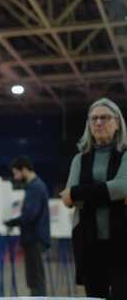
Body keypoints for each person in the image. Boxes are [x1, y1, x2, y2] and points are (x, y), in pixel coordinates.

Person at [59, 98, 127, 299]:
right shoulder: (79, 158)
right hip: (87, 242)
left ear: (117, 123)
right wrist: (112, 194)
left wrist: (79, 193)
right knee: (94, 297)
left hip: (122, 243)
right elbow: (67, 199)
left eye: (105, 118)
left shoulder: (125, 155)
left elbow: (122, 187)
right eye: (94, 119)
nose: (98, 123)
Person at [4, 156, 50, 296]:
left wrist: (11, 221)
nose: (16, 177)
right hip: (34, 238)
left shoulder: (35, 187)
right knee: (34, 277)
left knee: (35, 279)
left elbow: (30, 214)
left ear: (24, 170)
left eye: (16, 173)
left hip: (35, 238)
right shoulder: (35, 186)